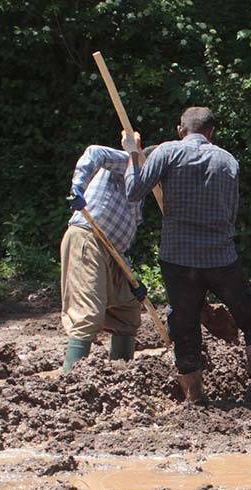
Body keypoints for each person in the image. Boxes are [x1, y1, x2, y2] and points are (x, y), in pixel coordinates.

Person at [121, 107, 251, 405]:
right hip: (220, 257)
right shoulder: (227, 160)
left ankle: (195, 396)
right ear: (211, 132)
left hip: (177, 258)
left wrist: (133, 155)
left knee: (184, 324)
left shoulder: (166, 152)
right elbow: (231, 212)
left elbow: (133, 191)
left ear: (180, 130)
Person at [60, 144, 146, 372]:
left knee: (128, 310)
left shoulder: (139, 195)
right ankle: (71, 383)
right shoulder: (130, 165)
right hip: (88, 238)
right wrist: (78, 186)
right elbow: (95, 153)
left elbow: (121, 243)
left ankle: (120, 375)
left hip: (113, 253)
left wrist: (132, 281)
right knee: (88, 313)